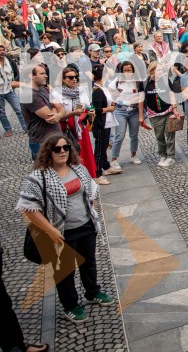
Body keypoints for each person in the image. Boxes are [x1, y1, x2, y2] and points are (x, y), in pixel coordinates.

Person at [17, 134, 116, 324]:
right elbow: (29, 208)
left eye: (65, 148)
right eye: (57, 149)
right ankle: (70, 305)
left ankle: (92, 292)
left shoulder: (78, 169)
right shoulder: (39, 177)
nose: (62, 151)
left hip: (85, 225)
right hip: (61, 232)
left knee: (89, 262)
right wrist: (51, 230)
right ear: (48, 152)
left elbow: (90, 192)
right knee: (65, 270)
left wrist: (92, 214)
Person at [52, 66, 97, 180]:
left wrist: (91, 112)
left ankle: (86, 178)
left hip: (80, 127)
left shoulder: (82, 91)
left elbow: (88, 107)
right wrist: (73, 113)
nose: (74, 79)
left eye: (76, 77)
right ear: (63, 79)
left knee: (84, 154)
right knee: (69, 155)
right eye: (70, 77)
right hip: (66, 128)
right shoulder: (57, 93)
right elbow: (58, 116)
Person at [108, 61, 144, 171]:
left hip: (134, 111)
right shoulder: (118, 81)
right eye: (125, 70)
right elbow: (109, 93)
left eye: (129, 70)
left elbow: (141, 98)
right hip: (121, 111)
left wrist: (141, 115)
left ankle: (133, 155)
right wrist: (116, 100)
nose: (127, 72)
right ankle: (114, 159)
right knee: (120, 135)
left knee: (134, 135)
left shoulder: (138, 81)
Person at [22, 64, 64, 159]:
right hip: (42, 142)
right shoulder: (29, 95)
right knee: (45, 172)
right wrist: (56, 110)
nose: (46, 76)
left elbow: (60, 106)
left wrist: (57, 112)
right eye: (42, 73)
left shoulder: (43, 88)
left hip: (53, 138)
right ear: (32, 76)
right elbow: (51, 119)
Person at [144, 61, 180, 167]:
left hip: (167, 110)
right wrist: (141, 115)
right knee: (159, 135)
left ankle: (170, 156)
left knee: (170, 133)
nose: (160, 72)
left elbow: (171, 94)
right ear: (152, 71)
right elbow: (141, 98)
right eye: (158, 70)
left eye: (161, 70)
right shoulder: (145, 82)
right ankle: (163, 154)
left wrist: (174, 108)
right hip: (154, 114)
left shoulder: (165, 80)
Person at [90, 64, 114, 185]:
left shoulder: (102, 87)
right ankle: (97, 173)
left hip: (106, 122)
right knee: (99, 148)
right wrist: (109, 108)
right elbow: (97, 109)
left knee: (104, 146)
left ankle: (106, 166)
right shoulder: (97, 90)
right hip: (100, 123)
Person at [0, 44, 26, 136]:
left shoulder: (9, 61)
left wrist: (15, 82)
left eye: (2, 50)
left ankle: (25, 127)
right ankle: (8, 129)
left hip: (10, 89)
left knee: (19, 109)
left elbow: (16, 73)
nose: (1, 52)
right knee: (1, 113)